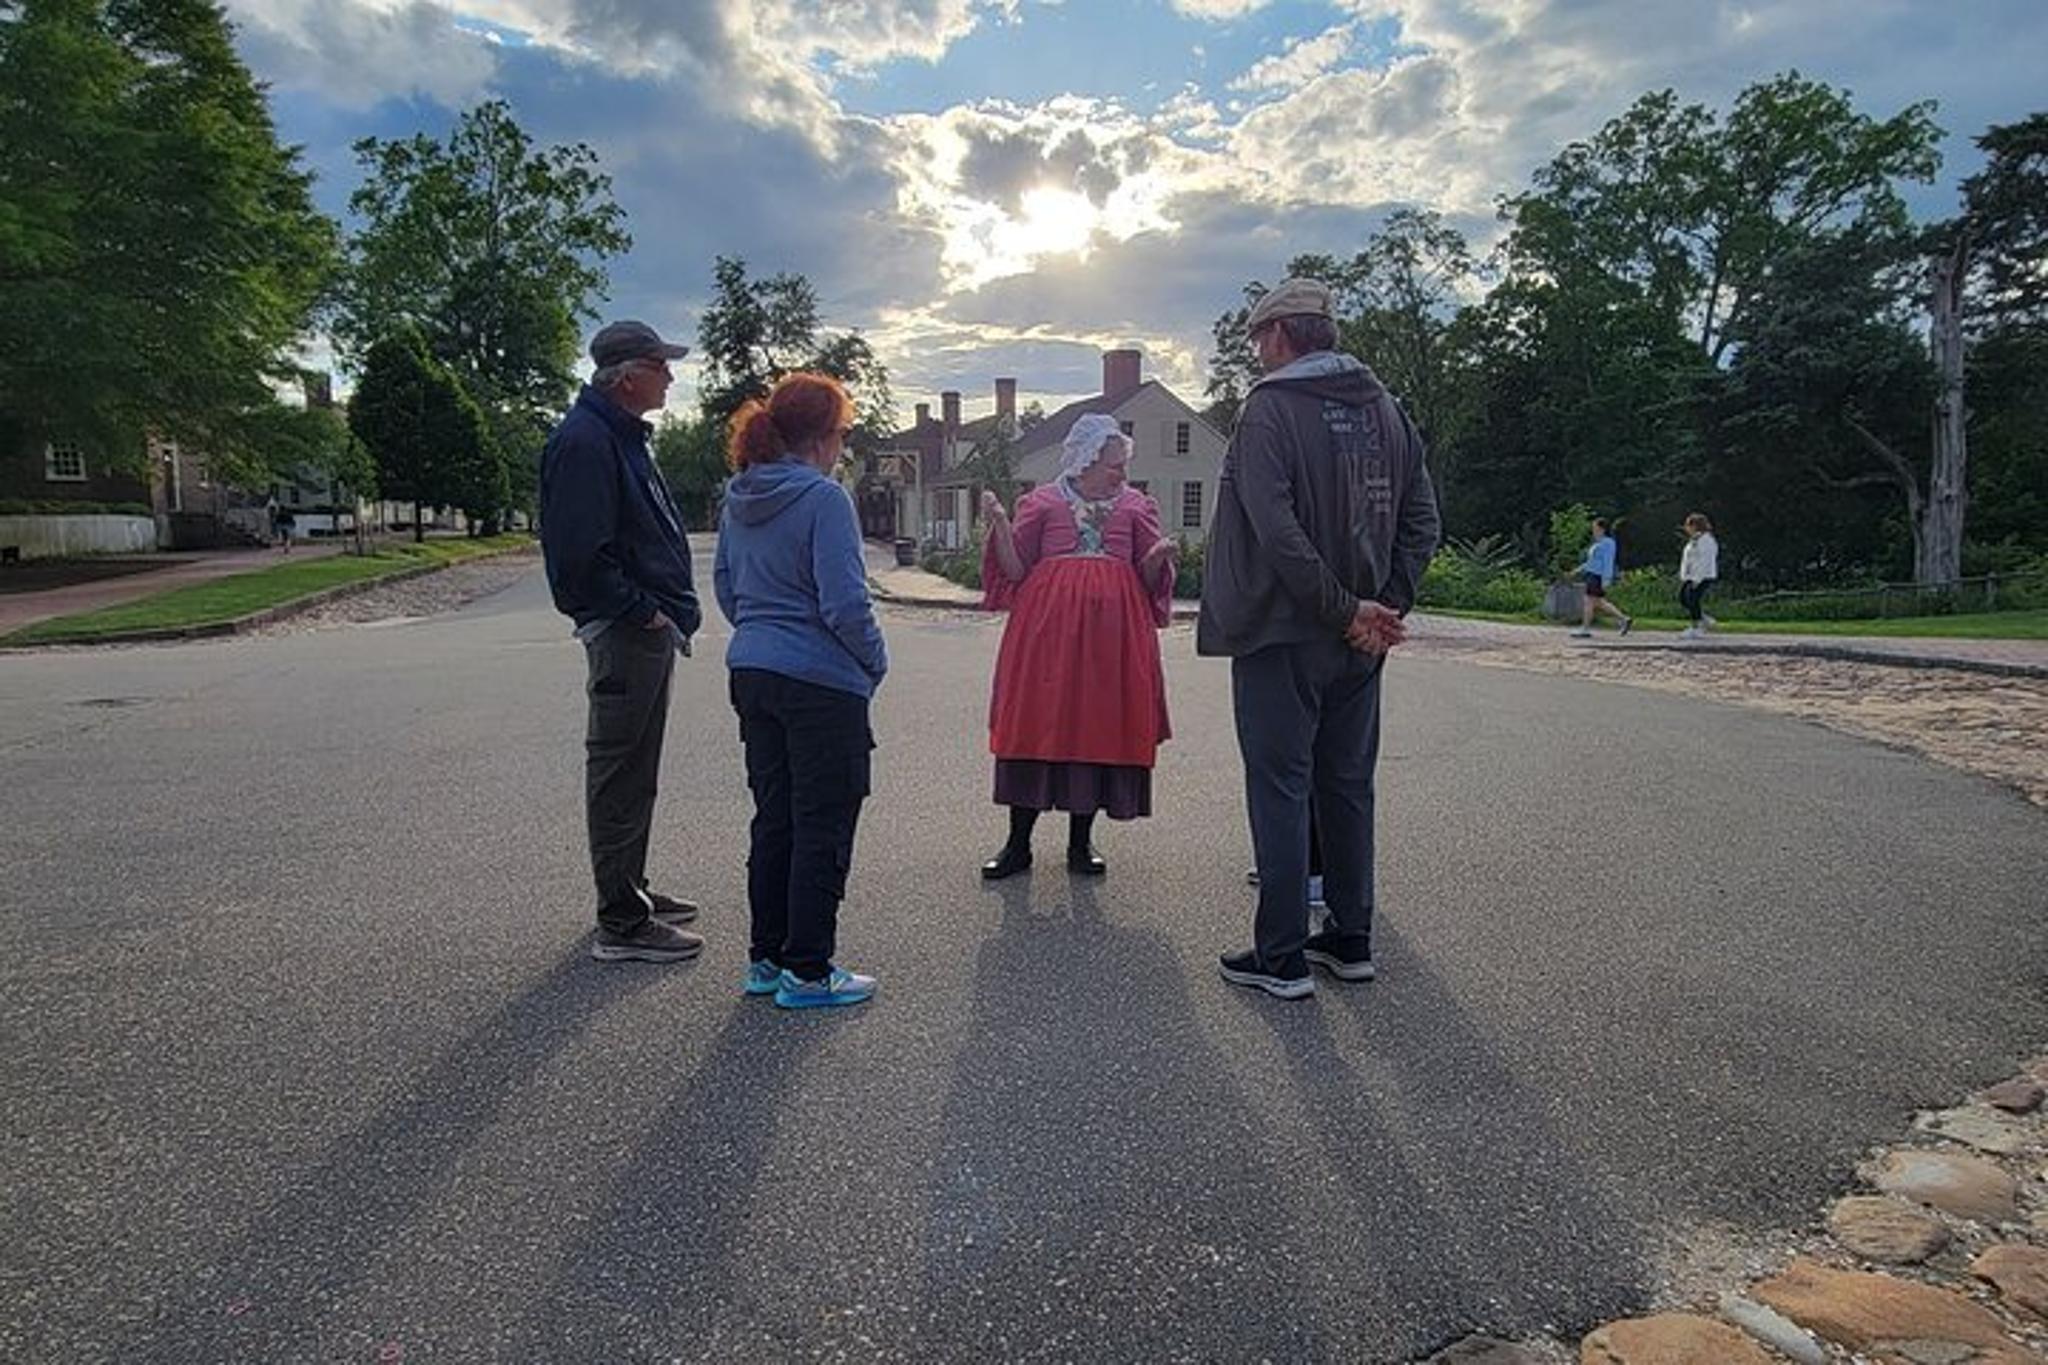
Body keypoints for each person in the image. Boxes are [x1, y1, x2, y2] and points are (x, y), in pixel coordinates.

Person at [1197, 277, 1440, 1000]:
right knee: (1348, 782)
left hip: (1283, 630)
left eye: (1257, 339)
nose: (1256, 352)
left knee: (1280, 785)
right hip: (1359, 640)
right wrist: (1383, 606)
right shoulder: (1387, 409)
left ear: (1278, 334)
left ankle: (1281, 956)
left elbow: (1274, 528)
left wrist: (1344, 610)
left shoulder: (1270, 409)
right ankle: (1350, 937)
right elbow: (1423, 519)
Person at [715, 372, 888, 1010]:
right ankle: (809, 970)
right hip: (820, 680)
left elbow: (727, 588)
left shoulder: (739, 495)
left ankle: (767, 957)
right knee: (823, 821)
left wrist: (763, 632)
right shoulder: (823, 499)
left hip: (753, 669)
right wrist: (874, 662)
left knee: (775, 817)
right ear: (821, 438)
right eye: (843, 433)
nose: (844, 445)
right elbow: (845, 603)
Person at [540, 320, 704, 965]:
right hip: (626, 630)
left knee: (636, 771)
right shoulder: (586, 441)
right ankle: (621, 921)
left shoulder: (615, 434)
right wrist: (645, 613)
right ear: (628, 376)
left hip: (642, 628)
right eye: (661, 366)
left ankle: (629, 889)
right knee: (618, 771)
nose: (670, 376)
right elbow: (579, 558)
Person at [976, 414, 1177, 880]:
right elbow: (1016, 569)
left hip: (1114, 640)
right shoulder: (1042, 502)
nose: (1122, 474)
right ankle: (1017, 845)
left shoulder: (1137, 507)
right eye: (1115, 465)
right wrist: (1001, 523)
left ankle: (1080, 844)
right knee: (1034, 723)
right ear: (1087, 460)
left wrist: (1156, 558)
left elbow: (1148, 581)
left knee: (1096, 727)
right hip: (1044, 637)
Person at [1569, 518, 1633, 639]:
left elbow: (1608, 562)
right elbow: (1592, 562)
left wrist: (1606, 579)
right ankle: (1624, 619)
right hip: (1592, 575)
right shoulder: (1598, 543)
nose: (1593, 530)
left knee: (1589, 602)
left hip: (1597, 576)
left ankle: (1585, 629)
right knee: (1599, 603)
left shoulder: (1608, 543)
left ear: (1602, 529)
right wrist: (1578, 569)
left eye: (1595, 528)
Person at [1679, 512, 1719, 639]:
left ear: (1695, 526)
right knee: (1683, 599)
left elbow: (1705, 560)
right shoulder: (1694, 540)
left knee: (1693, 599)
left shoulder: (1707, 540)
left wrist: (1697, 579)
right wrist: (1684, 575)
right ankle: (1704, 619)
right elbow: (1688, 558)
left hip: (1703, 576)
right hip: (1691, 576)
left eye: (1688, 525)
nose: (1686, 528)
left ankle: (1696, 627)